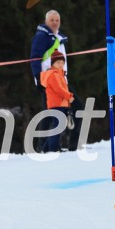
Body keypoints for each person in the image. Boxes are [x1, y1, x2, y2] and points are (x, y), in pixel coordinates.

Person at [29, 10, 83, 150]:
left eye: (57, 20)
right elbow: (35, 58)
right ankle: (48, 146)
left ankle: (53, 145)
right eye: (51, 20)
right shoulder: (42, 37)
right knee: (59, 111)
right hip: (49, 82)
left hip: (61, 81)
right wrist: (37, 78)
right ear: (46, 21)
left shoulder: (58, 38)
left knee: (52, 113)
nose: (54, 22)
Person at [39, 50, 74, 152]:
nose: (61, 65)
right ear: (53, 63)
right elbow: (59, 89)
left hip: (60, 104)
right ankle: (52, 149)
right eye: (58, 62)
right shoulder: (53, 74)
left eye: (62, 62)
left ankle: (46, 149)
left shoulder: (60, 74)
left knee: (58, 127)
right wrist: (69, 96)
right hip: (57, 104)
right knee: (57, 127)